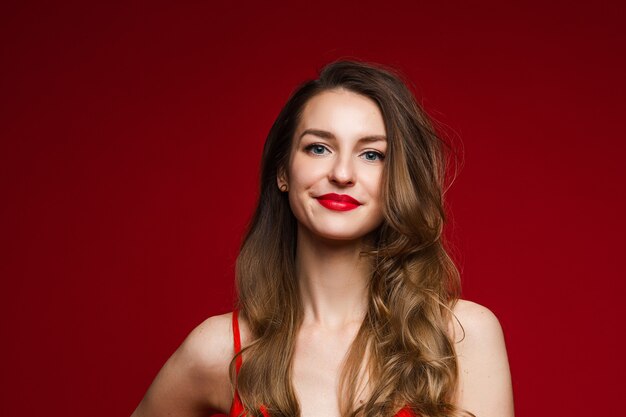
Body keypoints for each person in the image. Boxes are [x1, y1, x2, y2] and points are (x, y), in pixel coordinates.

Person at [131, 60, 514, 417]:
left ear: (399, 179)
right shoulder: (221, 349)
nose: (342, 173)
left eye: (372, 155)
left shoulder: (462, 337)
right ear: (283, 171)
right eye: (319, 148)